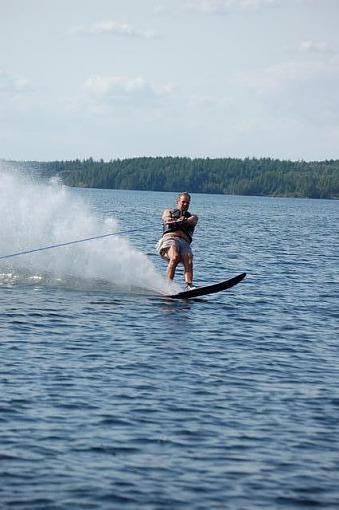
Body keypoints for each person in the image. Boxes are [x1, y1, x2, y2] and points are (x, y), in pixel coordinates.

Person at [156, 192, 198, 289]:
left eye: (187, 203)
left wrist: (185, 221)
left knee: (188, 258)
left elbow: (193, 220)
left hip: (184, 243)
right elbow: (166, 218)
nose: (185, 204)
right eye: (183, 202)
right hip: (170, 240)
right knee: (174, 257)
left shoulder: (193, 216)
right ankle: (167, 286)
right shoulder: (168, 212)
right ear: (177, 202)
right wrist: (174, 221)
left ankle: (189, 286)